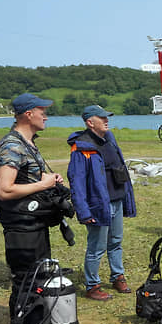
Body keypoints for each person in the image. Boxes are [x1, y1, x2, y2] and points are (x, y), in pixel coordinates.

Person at [0, 93, 64, 298]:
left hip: (34, 222)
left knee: (38, 278)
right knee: (26, 282)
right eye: (42, 112)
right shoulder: (13, 145)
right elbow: (4, 190)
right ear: (28, 114)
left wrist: (48, 179)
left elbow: (24, 176)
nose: (46, 116)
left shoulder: (27, 142)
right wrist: (42, 184)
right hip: (21, 227)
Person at [67, 105, 136, 301]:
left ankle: (117, 276)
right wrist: (84, 211)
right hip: (98, 205)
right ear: (90, 123)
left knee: (116, 242)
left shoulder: (110, 139)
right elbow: (77, 182)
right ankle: (92, 285)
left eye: (107, 118)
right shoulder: (81, 147)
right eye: (102, 118)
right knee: (96, 247)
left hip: (116, 201)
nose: (107, 121)